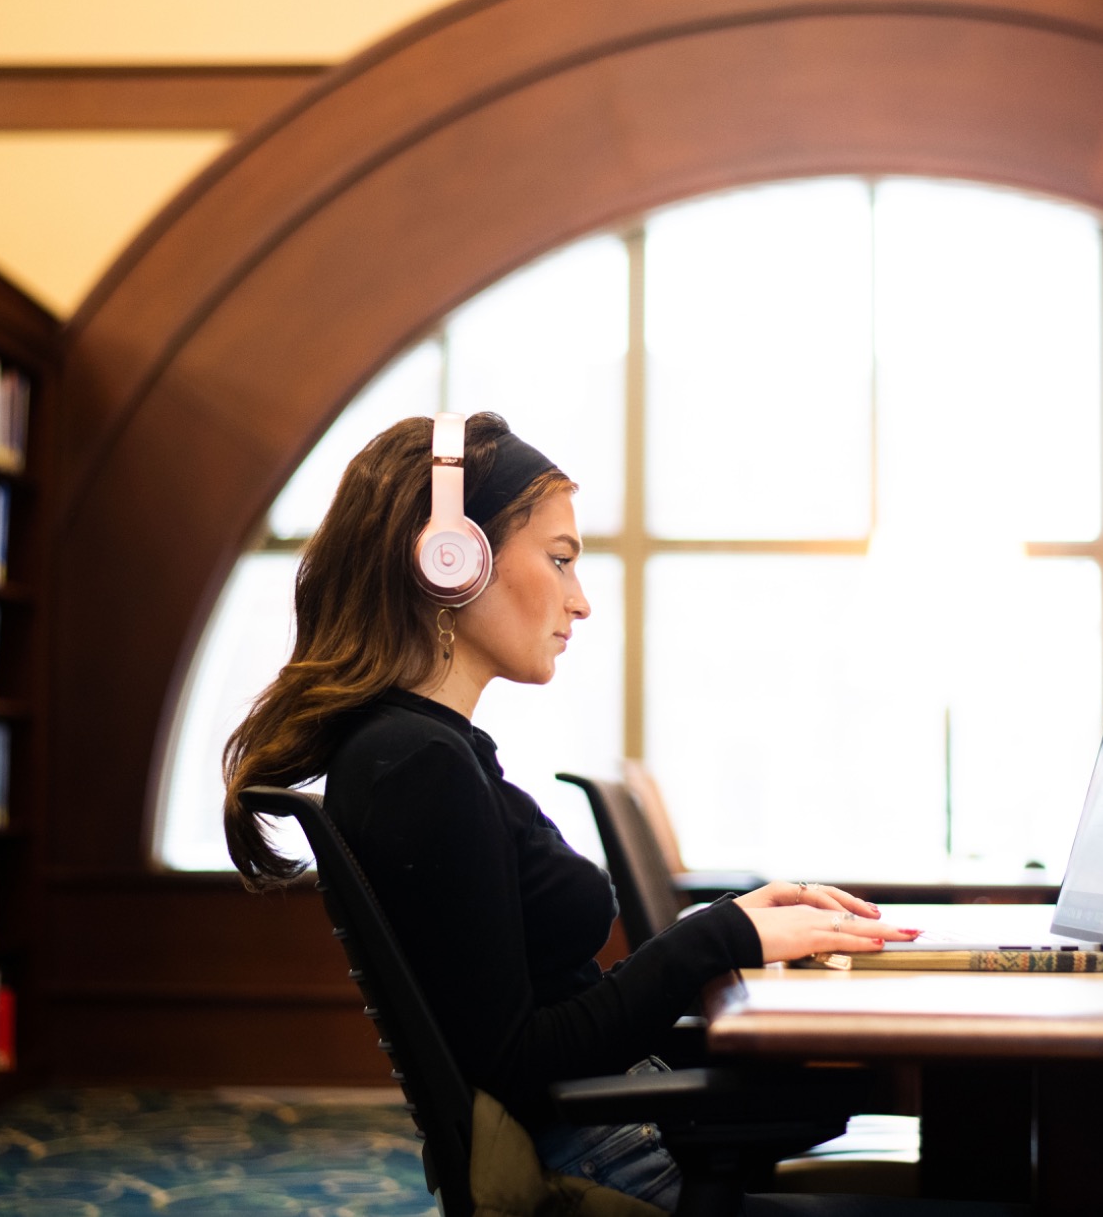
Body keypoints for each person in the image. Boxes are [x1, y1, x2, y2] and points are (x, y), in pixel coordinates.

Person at [223, 412, 916, 1210]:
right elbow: (519, 1058)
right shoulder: (416, 765)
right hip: (616, 1156)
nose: (579, 602)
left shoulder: (428, 751)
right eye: (559, 560)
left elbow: (548, 1010)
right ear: (451, 560)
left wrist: (738, 923)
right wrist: (717, 936)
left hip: (623, 1127)